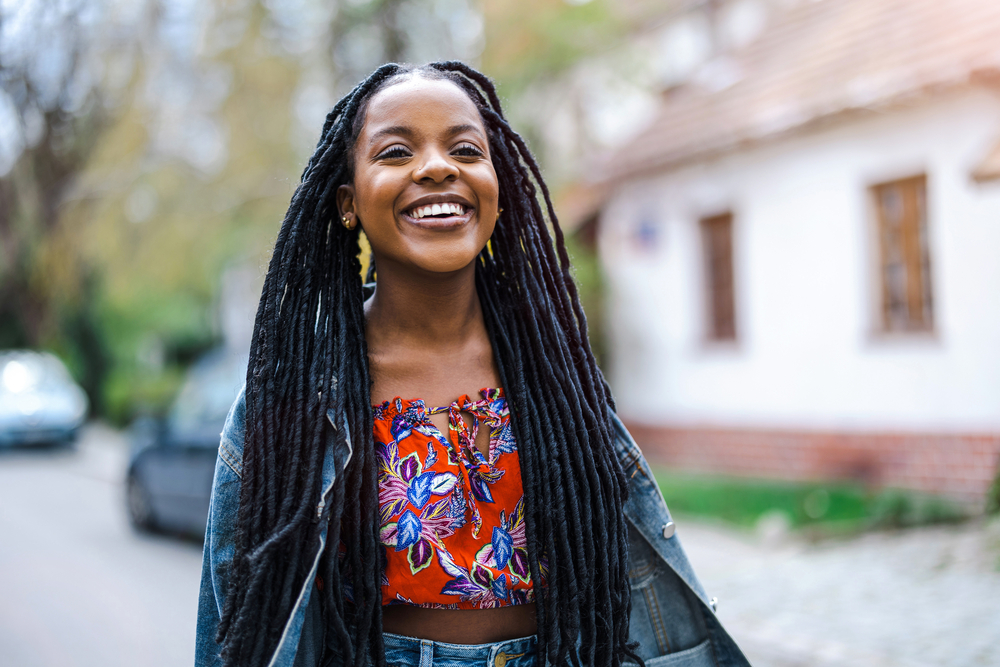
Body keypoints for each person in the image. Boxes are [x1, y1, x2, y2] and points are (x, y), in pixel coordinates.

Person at [196, 61, 749, 667]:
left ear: (499, 189)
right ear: (348, 203)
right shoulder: (297, 396)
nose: (437, 167)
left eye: (463, 148)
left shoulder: (553, 378)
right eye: (396, 152)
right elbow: (236, 625)